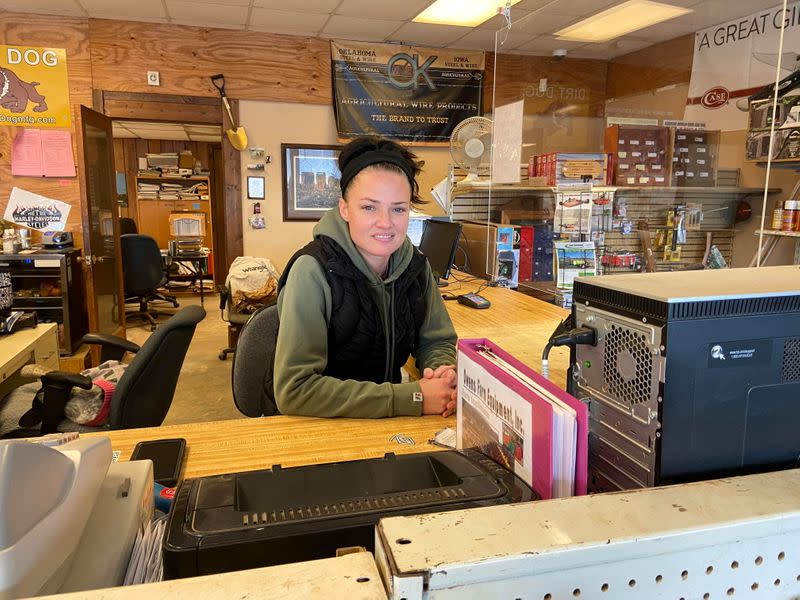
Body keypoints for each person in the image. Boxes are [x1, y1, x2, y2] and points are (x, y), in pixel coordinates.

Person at [274, 136, 458, 418]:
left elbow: (437, 340)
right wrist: (413, 398)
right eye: (369, 207)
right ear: (344, 209)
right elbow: (295, 391)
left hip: (387, 425)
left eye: (398, 208)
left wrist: (442, 372)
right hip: (324, 427)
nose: (385, 223)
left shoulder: (416, 267)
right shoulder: (312, 271)